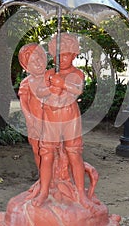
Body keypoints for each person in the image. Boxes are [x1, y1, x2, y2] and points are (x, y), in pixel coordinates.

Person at [32, 33, 92, 208]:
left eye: (65, 54)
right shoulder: (49, 73)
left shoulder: (77, 73)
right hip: (51, 116)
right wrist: (50, 86)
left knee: (74, 153)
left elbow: (78, 90)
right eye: (57, 55)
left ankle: (81, 193)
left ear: (74, 55)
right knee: (47, 154)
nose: (61, 59)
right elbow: (40, 93)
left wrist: (63, 84)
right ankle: (44, 191)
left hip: (69, 116)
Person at [18, 43, 47, 170]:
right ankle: (42, 176)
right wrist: (30, 119)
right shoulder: (26, 83)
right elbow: (23, 102)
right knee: (37, 149)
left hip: (51, 122)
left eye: (40, 58)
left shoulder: (52, 77)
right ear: (26, 66)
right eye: (33, 61)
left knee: (53, 151)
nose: (38, 63)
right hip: (34, 123)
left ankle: (54, 178)